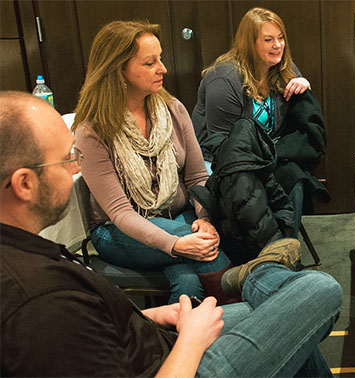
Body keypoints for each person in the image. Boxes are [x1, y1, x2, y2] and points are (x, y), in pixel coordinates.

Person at [0, 91, 342, 377]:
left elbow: (83, 335)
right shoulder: (36, 299)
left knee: (283, 315)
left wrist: (146, 316)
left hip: (155, 340)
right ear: (25, 184)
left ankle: (257, 276)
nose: (77, 167)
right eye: (66, 159)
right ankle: (259, 273)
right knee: (318, 289)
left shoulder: (25, 255)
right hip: (181, 364)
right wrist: (191, 341)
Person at [72, 21, 234, 304]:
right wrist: (177, 243)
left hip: (179, 216)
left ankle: (172, 345)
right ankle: (248, 308)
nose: (163, 68)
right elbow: (121, 213)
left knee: (187, 280)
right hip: (117, 231)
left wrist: (205, 219)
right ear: (118, 69)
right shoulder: (92, 131)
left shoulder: (173, 109)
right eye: (150, 62)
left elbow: (197, 178)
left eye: (160, 58)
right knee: (205, 246)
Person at [192, 7, 328, 239]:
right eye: (268, 39)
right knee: (250, 192)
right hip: (222, 159)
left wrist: (304, 85)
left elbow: (297, 115)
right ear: (249, 43)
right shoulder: (224, 79)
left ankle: (286, 246)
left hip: (264, 154)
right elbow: (221, 143)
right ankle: (257, 253)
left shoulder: (284, 69)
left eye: (281, 37)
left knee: (295, 179)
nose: (278, 45)